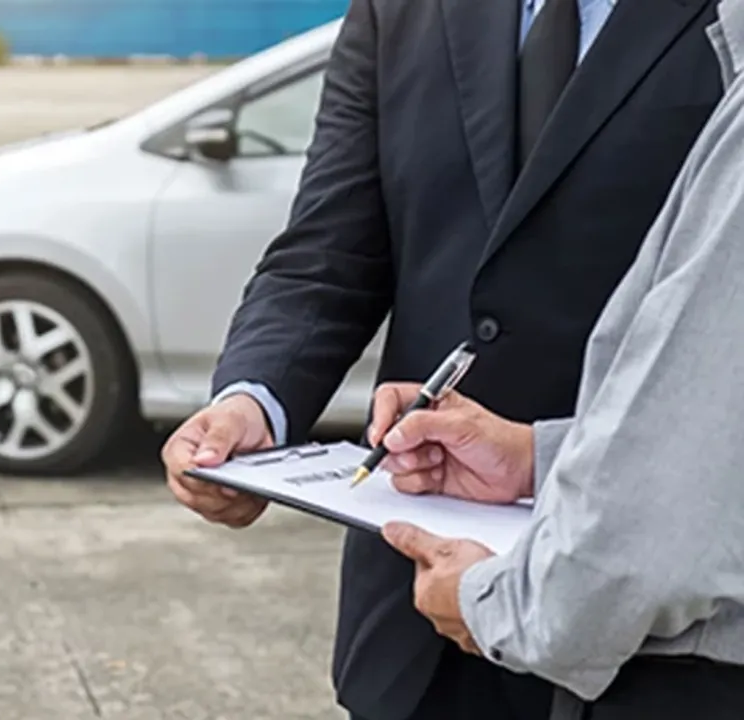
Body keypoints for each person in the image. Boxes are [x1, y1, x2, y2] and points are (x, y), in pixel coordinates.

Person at [160, 0, 724, 718]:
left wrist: (541, 455)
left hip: (649, 631)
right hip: (418, 615)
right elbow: (329, 246)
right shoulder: (401, 9)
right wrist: (253, 400)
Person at [367, 7, 744, 707]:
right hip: (424, 644)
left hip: (672, 671)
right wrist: (537, 457)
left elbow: (657, 533)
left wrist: (502, 608)